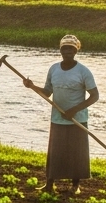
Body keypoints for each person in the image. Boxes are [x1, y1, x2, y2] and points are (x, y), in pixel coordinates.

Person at [22, 35, 98, 193]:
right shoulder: (54, 69)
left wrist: (74, 110)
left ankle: (75, 185)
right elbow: (47, 92)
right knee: (55, 152)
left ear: (76, 50)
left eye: (71, 48)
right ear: (60, 50)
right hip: (57, 118)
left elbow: (94, 96)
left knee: (76, 152)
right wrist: (32, 86)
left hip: (77, 119)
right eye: (65, 48)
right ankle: (49, 184)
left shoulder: (83, 71)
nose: (68, 51)